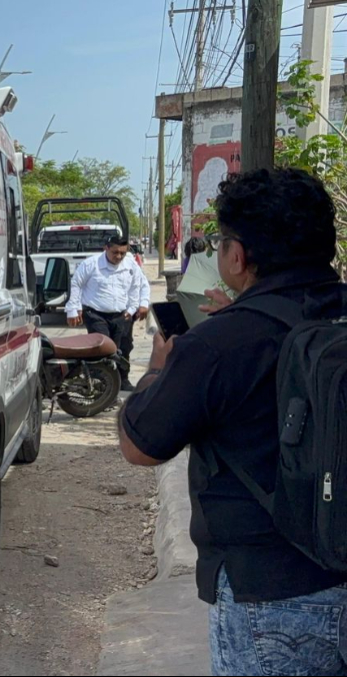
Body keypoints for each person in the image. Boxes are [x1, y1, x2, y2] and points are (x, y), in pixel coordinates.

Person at [119, 168, 347, 676]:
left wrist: (158, 369)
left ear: (238, 256)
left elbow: (141, 445)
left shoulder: (218, 343)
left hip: (270, 592)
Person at [65, 234, 151, 391]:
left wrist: (140, 305)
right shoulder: (91, 264)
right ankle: (102, 386)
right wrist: (73, 309)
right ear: (106, 248)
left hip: (123, 315)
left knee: (124, 348)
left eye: (122, 253)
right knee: (102, 350)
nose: (119, 256)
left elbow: (139, 285)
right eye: (115, 252)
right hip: (96, 314)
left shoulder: (130, 265)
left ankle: (122, 380)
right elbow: (76, 283)